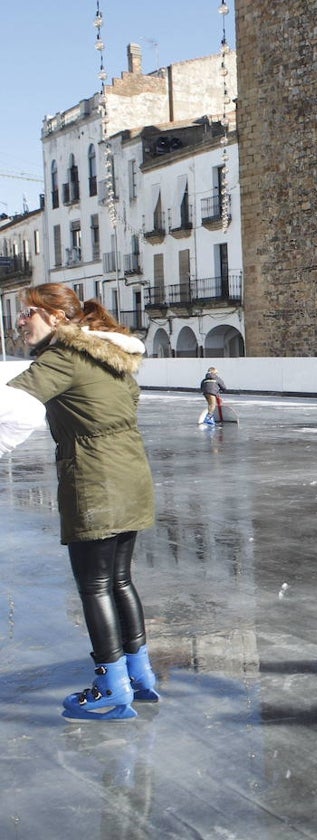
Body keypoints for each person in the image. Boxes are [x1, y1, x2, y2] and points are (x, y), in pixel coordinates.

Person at [1, 283, 159, 720]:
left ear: (54, 317)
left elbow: (10, 403)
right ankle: (139, 674)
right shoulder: (107, 357)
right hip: (131, 475)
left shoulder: (63, 357)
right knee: (120, 581)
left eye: (27, 312)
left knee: (94, 587)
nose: (20, 320)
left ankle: (111, 688)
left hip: (95, 479)